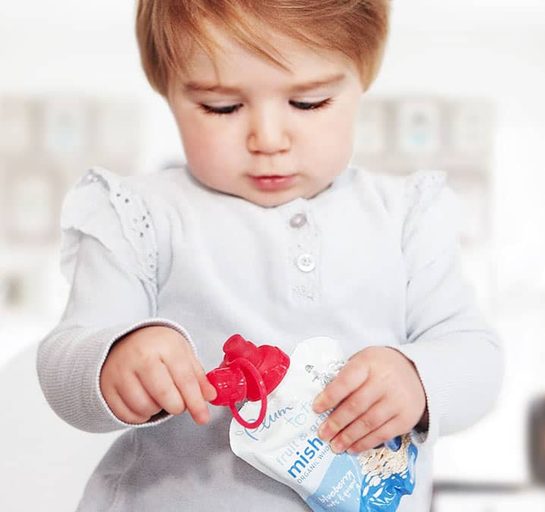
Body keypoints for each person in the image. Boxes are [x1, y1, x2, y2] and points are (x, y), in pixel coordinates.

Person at [36, 1, 503, 509]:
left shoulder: (406, 217)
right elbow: (65, 358)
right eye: (222, 107)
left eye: (308, 103)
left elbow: (476, 356)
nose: (268, 139)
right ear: (167, 89)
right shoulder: (139, 215)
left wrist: (418, 379)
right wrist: (117, 358)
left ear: (361, 79)